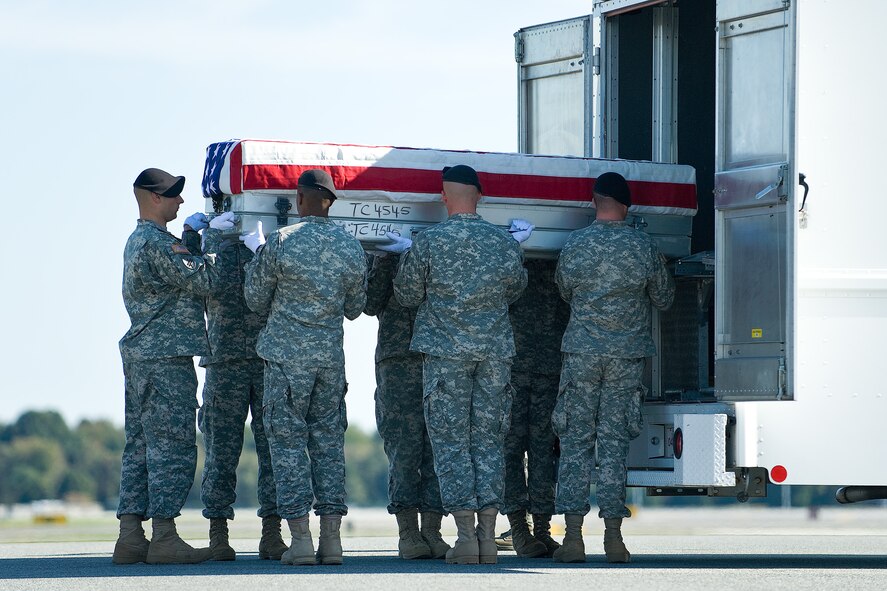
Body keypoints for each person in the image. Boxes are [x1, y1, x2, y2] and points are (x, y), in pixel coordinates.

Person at [392, 165, 528, 565]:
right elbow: (516, 289)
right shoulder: (503, 243)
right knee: (489, 443)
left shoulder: (429, 241)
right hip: (494, 355)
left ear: (444, 197)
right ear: (480, 197)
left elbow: (406, 294)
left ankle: (465, 537)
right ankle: (487, 539)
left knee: (451, 444)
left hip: (446, 355)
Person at [241, 169, 367, 566]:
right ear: (331, 201)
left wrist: (256, 256)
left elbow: (255, 300)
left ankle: (300, 541)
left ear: (299, 199)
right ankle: (332, 542)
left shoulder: (280, 243)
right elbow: (354, 309)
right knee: (329, 445)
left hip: (285, 360)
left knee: (288, 446)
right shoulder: (351, 248)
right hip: (329, 361)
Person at [552, 171, 675, 563]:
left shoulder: (576, 244)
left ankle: (572, 538)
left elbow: (564, 290)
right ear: (627, 206)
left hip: (582, 355)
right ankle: (613, 538)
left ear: (594, 201)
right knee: (613, 444)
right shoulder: (643, 246)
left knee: (575, 443)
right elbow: (665, 297)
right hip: (625, 356)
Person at [114, 168, 235, 565]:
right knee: (173, 446)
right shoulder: (157, 244)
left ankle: (131, 536)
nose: (181, 202)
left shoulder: (140, 241)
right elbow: (209, 280)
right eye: (173, 195)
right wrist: (214, 238)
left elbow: (181, 274)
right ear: (152, 197)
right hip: (166, 359)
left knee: (141, 447)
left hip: (143, 357)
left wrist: (189, 239)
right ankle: (164, 535)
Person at [179, 213, 288, 562]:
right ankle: (218, 533)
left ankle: (272, 531)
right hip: (224, 360)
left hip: (266, 357)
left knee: (272, 450)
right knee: (220, 452)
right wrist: (194, 233)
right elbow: (192, 274)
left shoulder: (271, 234)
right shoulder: (215, 239)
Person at [363, 251, 449, 560]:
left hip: (440, 356)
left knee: (438, 448)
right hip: (398, 361)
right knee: (404, 449)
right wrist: (386, 258)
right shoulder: (379, 249)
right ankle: (408, 532)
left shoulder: (441, 242)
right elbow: (369, 303)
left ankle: (432, 529)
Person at [501, 258, 570, 558]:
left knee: (544, 449)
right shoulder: (511, 258)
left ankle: (542, 528)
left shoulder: (560, 257)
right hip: (513, 369)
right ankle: (519, 528)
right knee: (511, 449)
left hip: (548, 367)